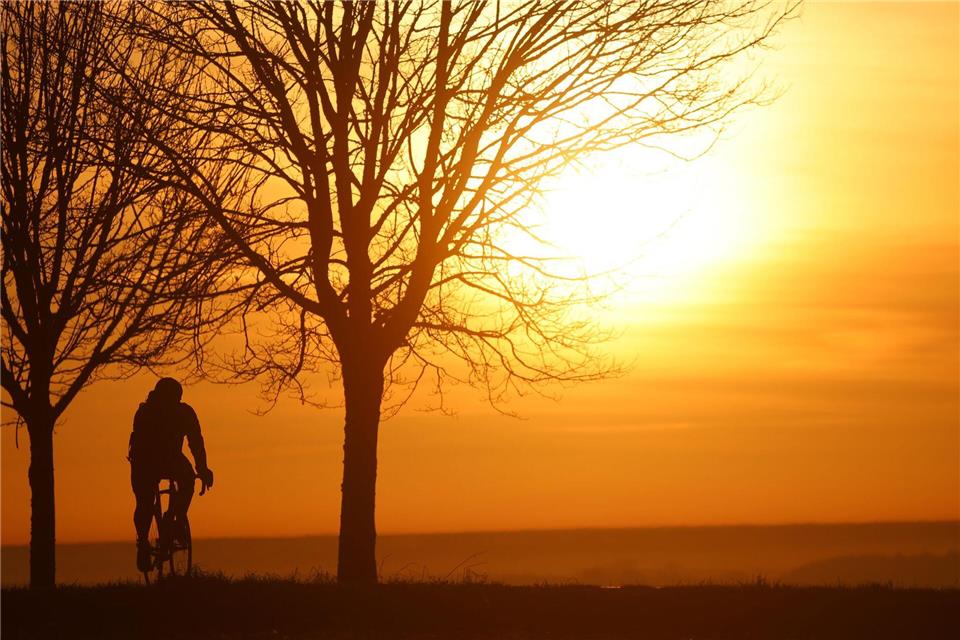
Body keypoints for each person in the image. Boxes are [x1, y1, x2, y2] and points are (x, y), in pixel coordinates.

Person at [128, 377, 214, 572]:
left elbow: (196, 442)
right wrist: (202, 469)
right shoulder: (147, 412)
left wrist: (202, 469)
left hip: (164, 460)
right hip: (145, 461)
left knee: (187, 480)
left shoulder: (181, 413)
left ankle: (173, 519)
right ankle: (144, 542)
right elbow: (195, 442)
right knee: (145, 502)